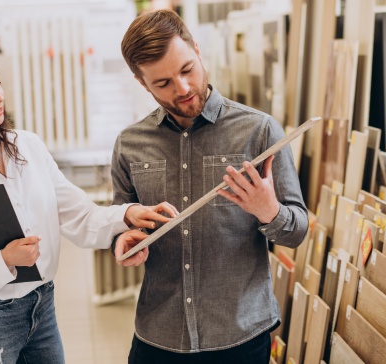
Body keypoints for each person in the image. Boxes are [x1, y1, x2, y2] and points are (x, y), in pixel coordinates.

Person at [0, 39, 178, 364]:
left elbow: (79, 216)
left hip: (43, 307)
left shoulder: (29, 148)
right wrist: (3, 262)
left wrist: (129, 215)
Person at [111, 10, 309, 363]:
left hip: (240, 337)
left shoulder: (260, 131)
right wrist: (122, 241)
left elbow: (296, 231)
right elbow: (120, 223)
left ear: (197, 50)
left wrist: (269, 211)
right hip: (159, 337)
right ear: (143, 84)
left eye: (186, 70)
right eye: (163, 83)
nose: (183, 89)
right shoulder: (130, 145)